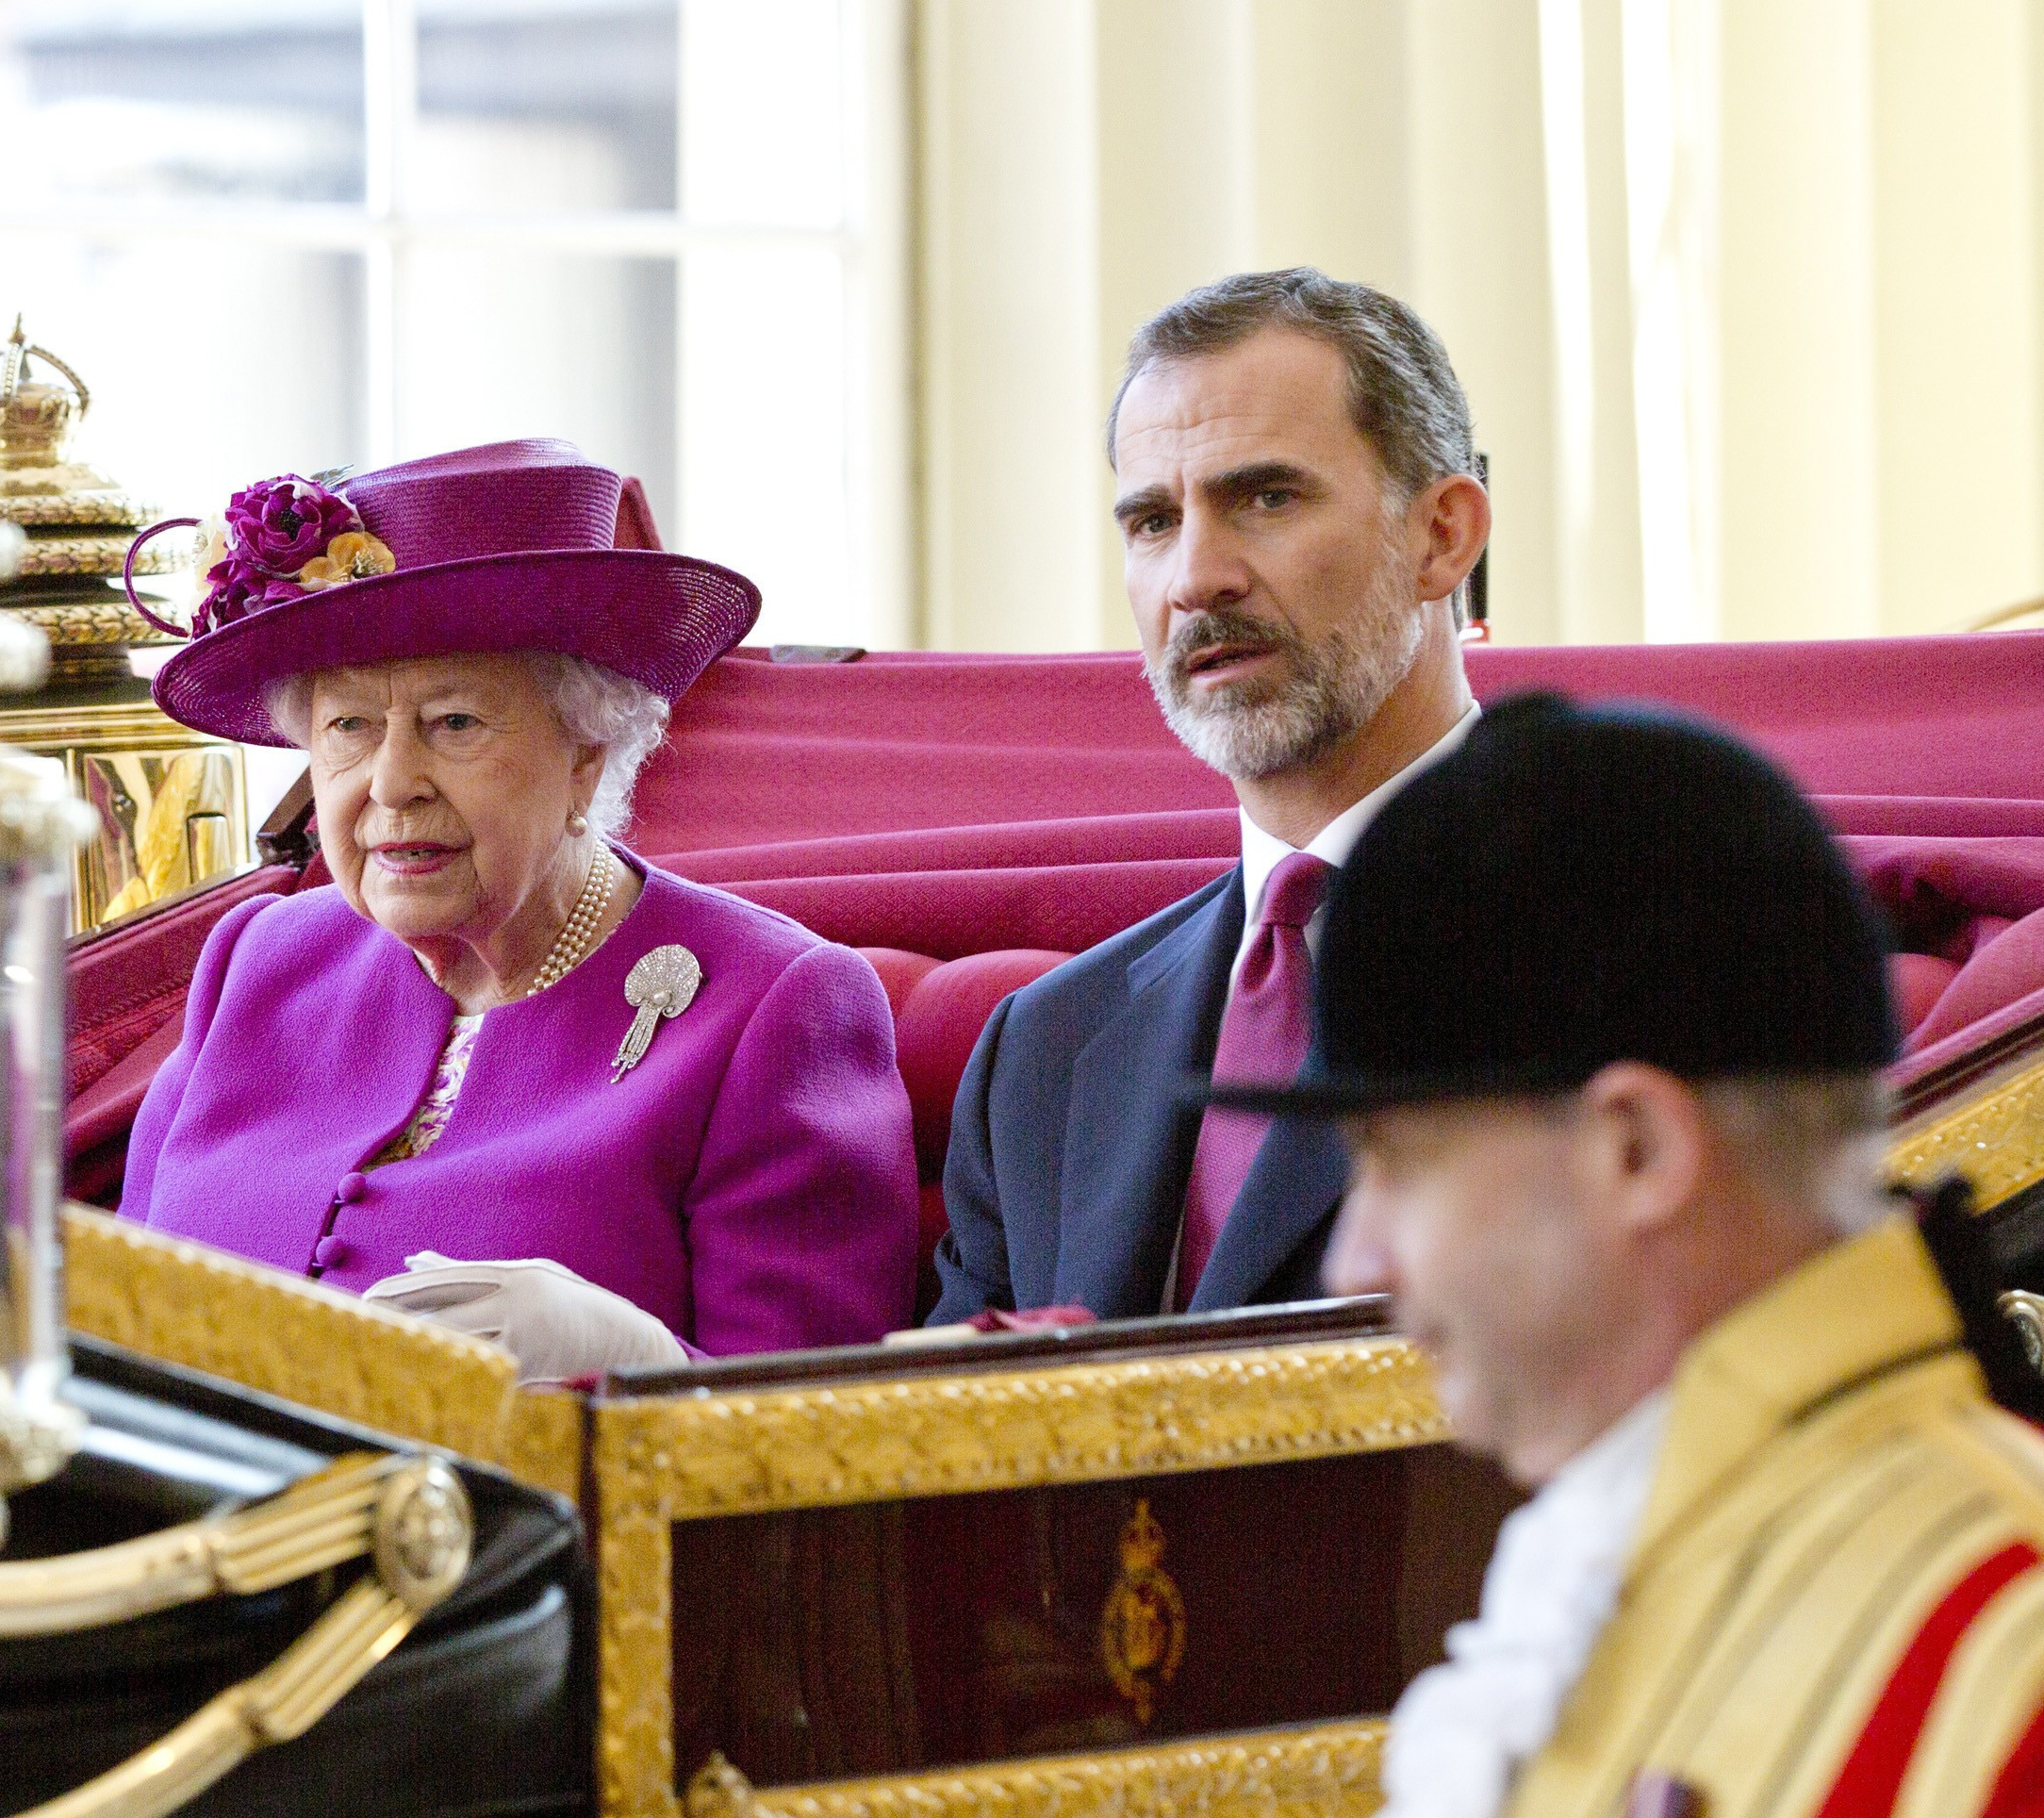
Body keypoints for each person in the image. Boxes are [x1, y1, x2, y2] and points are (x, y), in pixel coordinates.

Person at [1207, 692, 2044, 1818]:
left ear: (1637, 1149)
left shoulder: (2003, 1649)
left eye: (1396, 1161)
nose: (1359, 1261)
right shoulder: (1633, 1562)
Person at [118, 438, 917, 1377]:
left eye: (454, 722)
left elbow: (820, 1442)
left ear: (587, 748)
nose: (392, 781)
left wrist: (648, 1366)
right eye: (349, 727)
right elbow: (110, 1322)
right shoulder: (259, 959)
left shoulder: (776, 1007)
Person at [930, 268, 1491, 1321]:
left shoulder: (1626, 946)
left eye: (1266, 497)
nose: (1196, 576)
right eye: (1150, 521)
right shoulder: (1042, 1051)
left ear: (1443, 536)